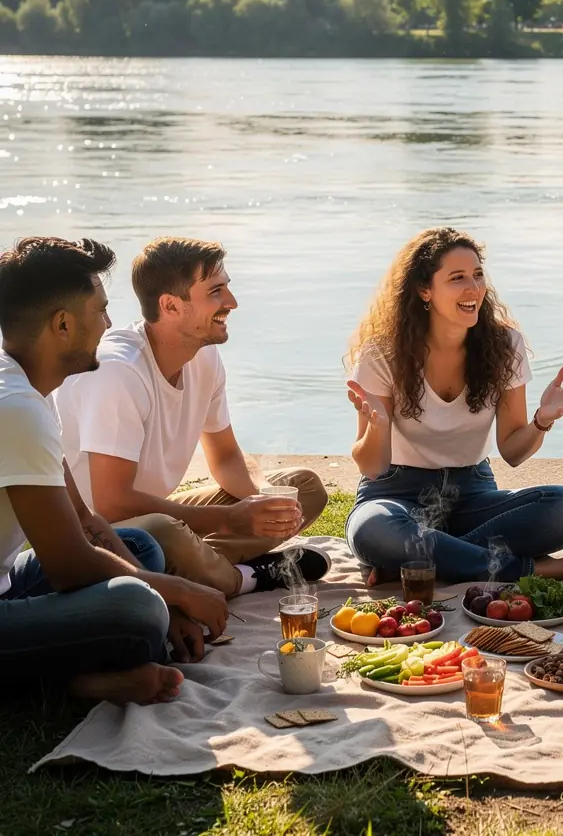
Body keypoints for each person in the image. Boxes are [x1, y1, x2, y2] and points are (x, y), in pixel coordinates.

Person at [0, 236, 229, 704]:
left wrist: (167, 591)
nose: (109, 323)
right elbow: (69, 566)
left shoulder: (28, 387)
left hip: (8, 582)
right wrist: (176, 592)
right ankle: (75, 684)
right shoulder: (16, 408)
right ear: (62, 324)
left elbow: (86, 521)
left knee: (139, 548)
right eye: (100, 311)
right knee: (136, 607)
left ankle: (93, 660)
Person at [56, 238, 330, 599]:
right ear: (170, 305)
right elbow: (112, 503)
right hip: (105, 532)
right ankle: (246, 577)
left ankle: (201, 567)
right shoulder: (117, 371)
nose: (232, 302)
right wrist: (231, 520)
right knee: (165, 532)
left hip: (159, 519)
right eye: (216, 291)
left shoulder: (203, 356)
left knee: (301, 486)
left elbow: (226, 457)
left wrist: (262, 506)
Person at [344, 227, 563, 585]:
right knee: (374, 530)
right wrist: (377, 426)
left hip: (473, 495)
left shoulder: (504, 345)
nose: (473, 289)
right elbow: (372, 466)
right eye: (457, 278)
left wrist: (542, 421)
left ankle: (418, 561)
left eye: (478, 275)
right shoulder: (382, 353)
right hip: (395, 492)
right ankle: (530, 570)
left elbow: (512, 451)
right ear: (424, 290)